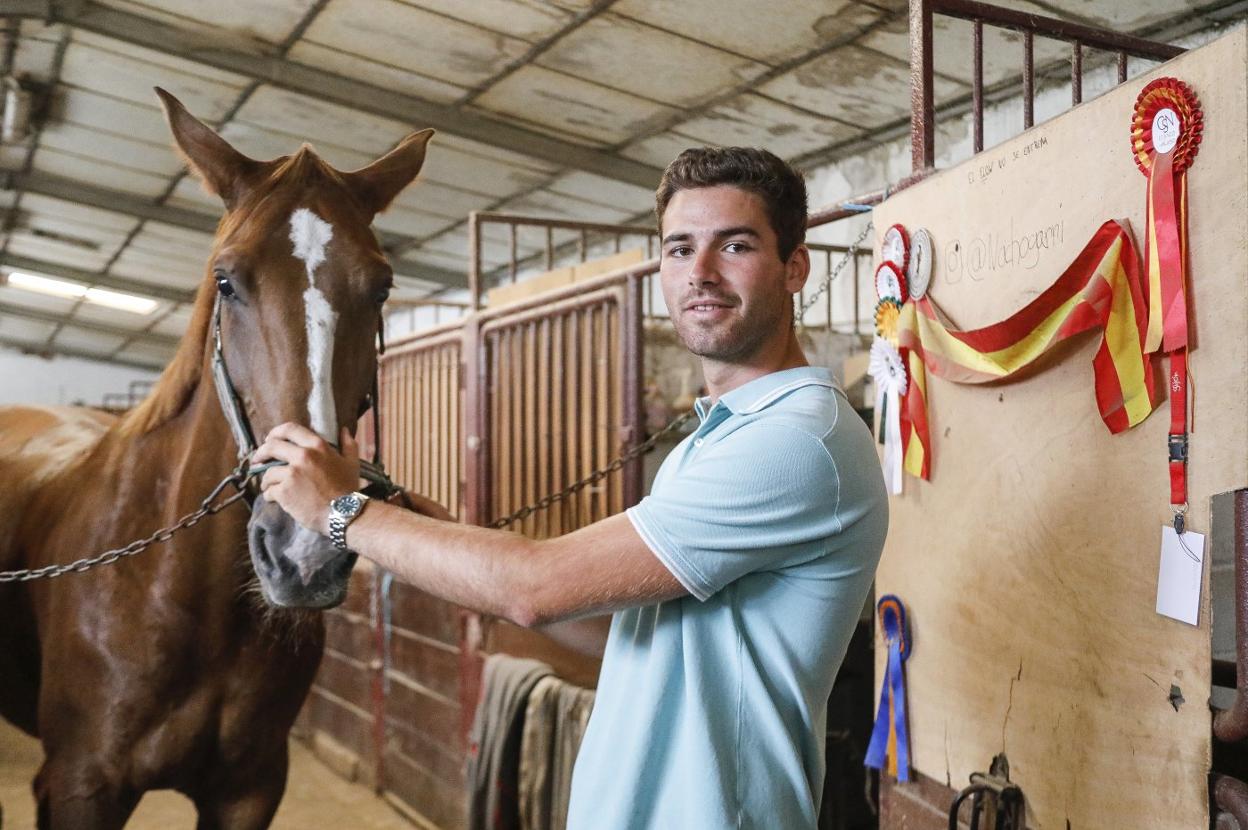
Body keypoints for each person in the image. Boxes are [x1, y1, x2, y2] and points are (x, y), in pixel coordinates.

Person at [253, 147, 888, 829]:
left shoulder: (795, 440)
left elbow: (537, 588)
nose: (699, 273)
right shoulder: (715, 438)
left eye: (735, 245)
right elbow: (632, 634)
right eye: (678, 249)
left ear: (795, 267)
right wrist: (411, 521)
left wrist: (340, 511)